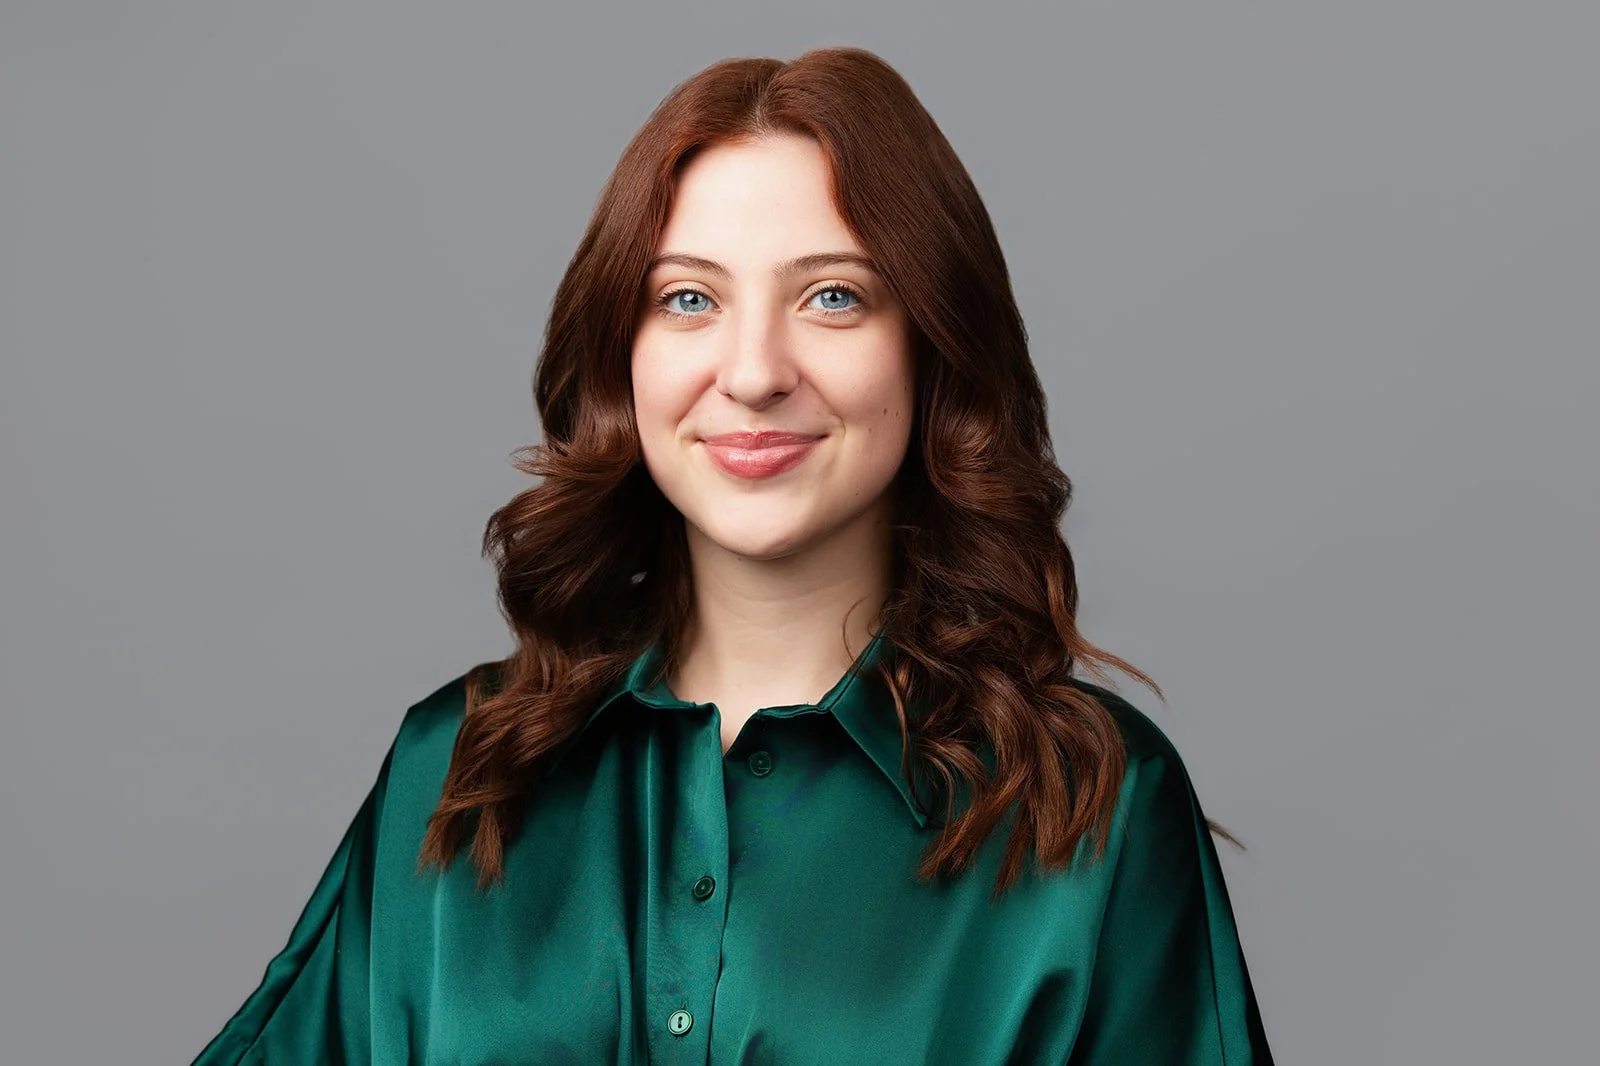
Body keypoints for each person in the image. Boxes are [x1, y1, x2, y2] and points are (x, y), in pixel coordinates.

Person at [191, 45, 1273, 1065]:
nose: (753, 371)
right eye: (689, 299)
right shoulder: (454, 772)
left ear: (933, 346)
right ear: (624, 357)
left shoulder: (1094, 806)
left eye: (833, 296)